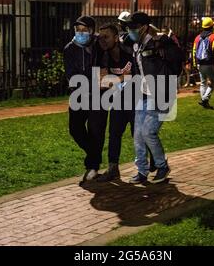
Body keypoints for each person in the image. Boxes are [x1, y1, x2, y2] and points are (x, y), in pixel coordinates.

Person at [126, 12, 179, 184]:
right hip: (143, 94)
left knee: (148, 132)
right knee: (138, 135)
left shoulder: (160, 42)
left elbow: (177, 63)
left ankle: (162, 166)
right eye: (129, 27)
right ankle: (142, 171)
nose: (130, 30)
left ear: (144, 27)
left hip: (161, 93)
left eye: (133, 27)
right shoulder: (137, 45)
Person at [63, 16, 108, 183]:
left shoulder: (99, 46)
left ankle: (93, 166)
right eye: (78, 30)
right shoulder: (69, 49)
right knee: (75, 129)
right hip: (79, 94)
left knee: (96, 131)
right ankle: (94, 156)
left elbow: (104, 70)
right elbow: (71, 75)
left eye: (84, 30)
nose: (80, 33)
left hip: (99, 96)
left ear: (91, 31)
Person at [96, 23, 134, 182]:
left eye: (106, 37)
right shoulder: (102, 56)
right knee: (114, 134)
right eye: (100, 37)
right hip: (118, 101)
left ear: (116, 38)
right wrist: (122, 78)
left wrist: (116, 80)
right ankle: (113, 168)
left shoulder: (130, 53)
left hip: (135, 98)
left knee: (140, 133)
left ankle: (156, 163)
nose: (102, 40)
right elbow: (102, 82)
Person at [192, 17, 214, 109]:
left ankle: (204, 103)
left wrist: (195, 64)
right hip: (210, 64)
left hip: (200, 64)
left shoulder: (197, 38)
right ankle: (205, 100)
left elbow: (194, 51)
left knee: (203, 83)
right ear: (212, 26)